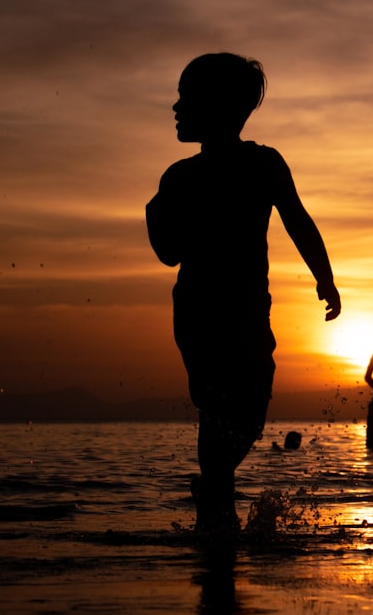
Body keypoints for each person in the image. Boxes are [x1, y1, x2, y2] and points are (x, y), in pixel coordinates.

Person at [146, 53, 341, 533]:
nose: (174, 106)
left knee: (249, 407)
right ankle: (217, 502)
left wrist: (324, 275)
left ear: (215, 107)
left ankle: (215, 491)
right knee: (221, 408)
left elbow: (297, 220)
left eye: (184, 98)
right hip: (202, 310)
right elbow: (169, 251)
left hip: (243, 310)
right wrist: (157, 213)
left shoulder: (261, 164)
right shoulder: (180, 177)